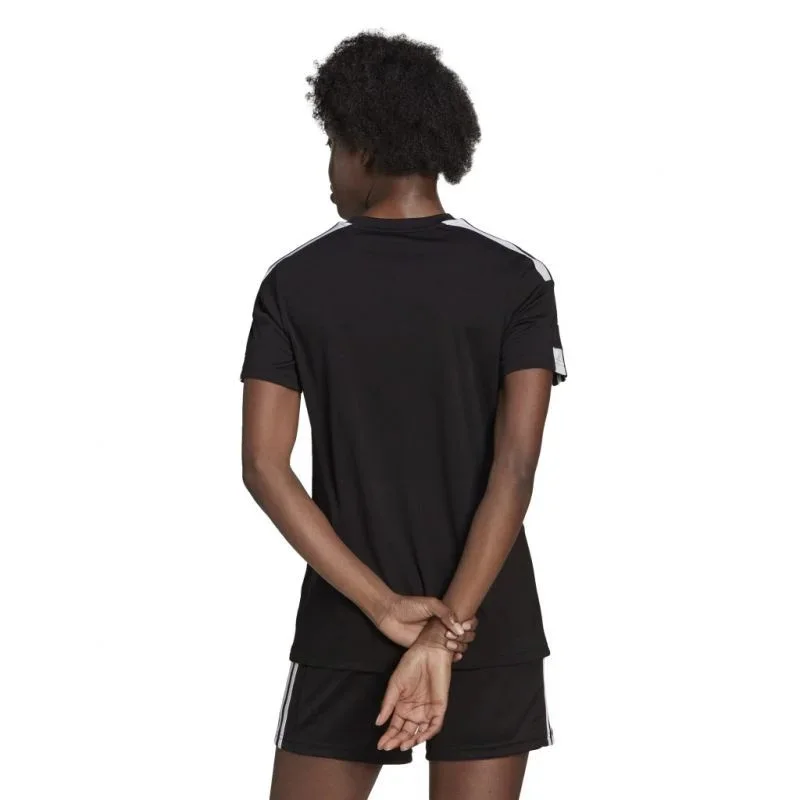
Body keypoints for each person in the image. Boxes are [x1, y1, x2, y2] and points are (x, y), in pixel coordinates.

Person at [240, 30, 568, 800]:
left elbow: (263, 465)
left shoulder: (295, 282)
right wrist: (448, 632)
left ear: (362, 146)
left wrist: (387, 608)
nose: (330, 170)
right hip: (486, 619)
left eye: (332, 147)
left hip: (349, 618)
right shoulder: (517, 278)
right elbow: (515, 469)